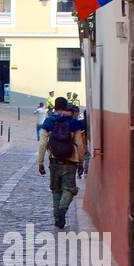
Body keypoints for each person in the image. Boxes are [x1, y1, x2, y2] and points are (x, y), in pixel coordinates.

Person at [38, 97, 87, 229]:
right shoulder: (73, 122)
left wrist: (40, 162)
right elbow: (80, 145)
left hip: (54, 161)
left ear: (54, 106)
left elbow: (42, 143)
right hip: (70, 162)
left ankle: (57, 217)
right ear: (66, 107)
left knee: (56, 190)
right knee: (69, 189)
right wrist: (81, 162)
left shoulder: (48, 122)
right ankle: (62, 209)